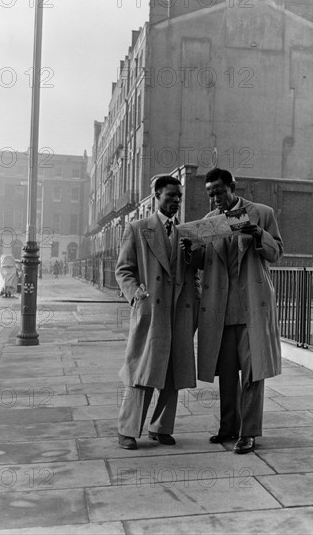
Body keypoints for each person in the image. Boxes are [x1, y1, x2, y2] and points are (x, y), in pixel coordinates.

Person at [186, 168, 283, 454]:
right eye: (210, 193)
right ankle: (228, 427)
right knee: (226, 373)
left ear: (232, 186)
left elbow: (276, 252)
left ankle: (249, 432)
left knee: (254, 372)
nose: (215, 197)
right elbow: (203, 261)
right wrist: (189, 249)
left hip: (252, 305)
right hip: (221, 310)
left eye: (219, 190)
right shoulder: (207, 222)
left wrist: (259, 235)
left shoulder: (262, 213)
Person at [115, 175, 199, 450]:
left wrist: (193, 256)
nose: (175, 201)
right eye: (170, 196)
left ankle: (161, 427)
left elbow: (195, 269)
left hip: (180, 312)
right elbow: (123, 269)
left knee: (173, 373)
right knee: (142, 370)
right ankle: (127, 430)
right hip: (152, 310)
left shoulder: (185, 233)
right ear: (156, 197)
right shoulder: (138, 228)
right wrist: (134, 294)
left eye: (179, 197)